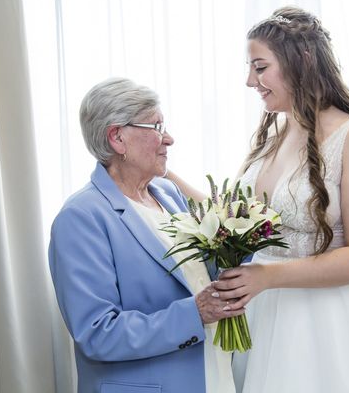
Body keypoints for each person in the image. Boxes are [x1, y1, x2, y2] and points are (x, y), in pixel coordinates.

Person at [169, 6, 349, 392]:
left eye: (260, 67)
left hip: (336, 323)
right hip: (268, 319)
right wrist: (164, 175)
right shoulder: (274, 136)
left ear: (301, 61)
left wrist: (267, 276)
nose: (250, 80)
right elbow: (232, 219)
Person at [49, 77, 238, 393]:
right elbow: (98, 332)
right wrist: (195, 313)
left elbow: (197, 277)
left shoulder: (167, 193)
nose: (170, 139)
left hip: (211, 376)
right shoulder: (81, 217)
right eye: (157, 127)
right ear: (117, 137)